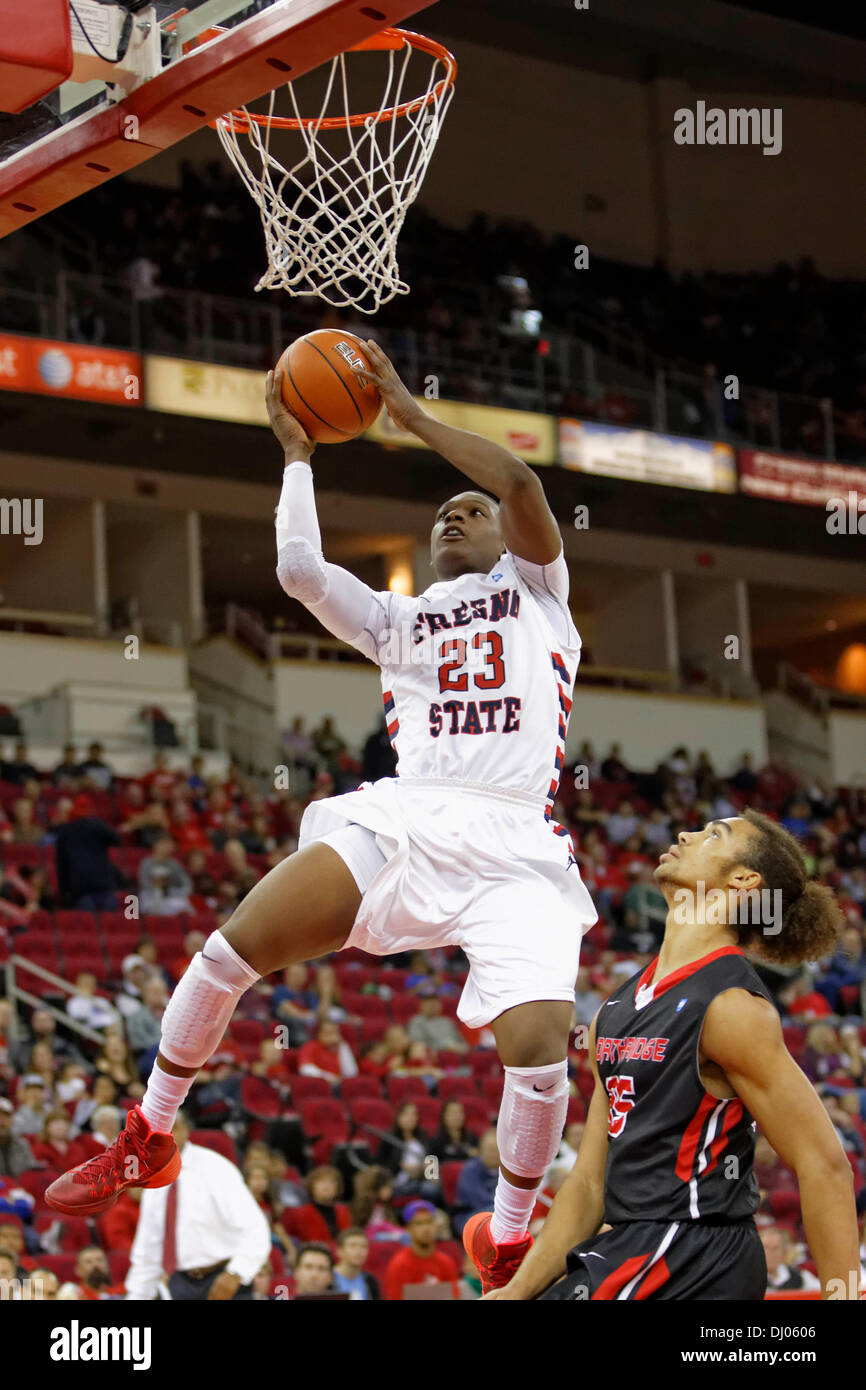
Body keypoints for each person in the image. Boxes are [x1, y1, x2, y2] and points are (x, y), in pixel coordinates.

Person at [45, 343, 598, 1301]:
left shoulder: (540, 593)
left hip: (515, 843)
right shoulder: (398, 621)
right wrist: (296, 451)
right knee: (229, 948)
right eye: (441, 515)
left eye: (468, 510)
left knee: (540, 1057)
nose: (456, 514)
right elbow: (300, 570)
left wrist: (411, 418)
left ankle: (507, 1238)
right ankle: (149, 1134)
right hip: (410, 819)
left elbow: (513, 476)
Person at [481, 811, 859, 1300]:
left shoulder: (732, 1009)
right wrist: (517, 1291)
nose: (685, 834)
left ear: (744, 881)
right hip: (633, 1246)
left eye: (714, 834)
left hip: (696, 1252)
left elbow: (824, 1166)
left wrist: (844, 1296)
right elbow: (590, 1182)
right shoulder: (614, 1010)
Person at [123, 1112, 269, 1300]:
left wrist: (237, 1273)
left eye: (172, 1128)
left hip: (224, 1279)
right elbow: (148, 1250)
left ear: (184, 1130)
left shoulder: (215, 1167)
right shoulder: (152, 1181)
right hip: (181, 1283)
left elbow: (255, 1227)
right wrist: (137, 1295)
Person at [53, 797, 119, 911]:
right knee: (109, 925)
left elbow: (61, 866)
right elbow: (116, 839)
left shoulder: (65, 832)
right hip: (101, 887)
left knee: (87, 926)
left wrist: (63, 893)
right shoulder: (96, 825)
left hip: (81, 890)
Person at [383, 1200, 459, 1300]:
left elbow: (454, 1297)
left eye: (429, 1222)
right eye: (419, 1224)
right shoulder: (399, 1265)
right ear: (409, 1229)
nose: (426, 1228)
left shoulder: (446, 1263)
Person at [454, 1130, 501, 1235]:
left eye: (497, 1150)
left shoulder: (506, 1171)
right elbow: (479, 1201)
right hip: (470, 1216)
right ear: (481, 1151)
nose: (494, 1154)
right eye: (490, 1149)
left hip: (498, 1215)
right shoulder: (470, 1170)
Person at [138, 836, 194, 916]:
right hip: (151, 893)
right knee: (151, 905)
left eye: (169, 844)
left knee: (185, 906)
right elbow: (143, 882)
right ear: (156, 846)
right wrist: (157, 889)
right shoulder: (147, 862)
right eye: (164, 844)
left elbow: (186, 883)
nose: (167, 847)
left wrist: (178, 892)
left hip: (171, 895)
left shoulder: (174, 864)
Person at [332, 1227, 380, 1300]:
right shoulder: (327, 1279)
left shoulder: (370, 1280)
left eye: (363, 1246)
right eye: (352, 1245)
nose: (359, 1251)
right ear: (339, 1251)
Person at [0, 1098, 34, 1176]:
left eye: (6, 1116)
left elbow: (31, 1171)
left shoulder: (22, 1145)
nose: (1, 1121)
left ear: (12, 1120)